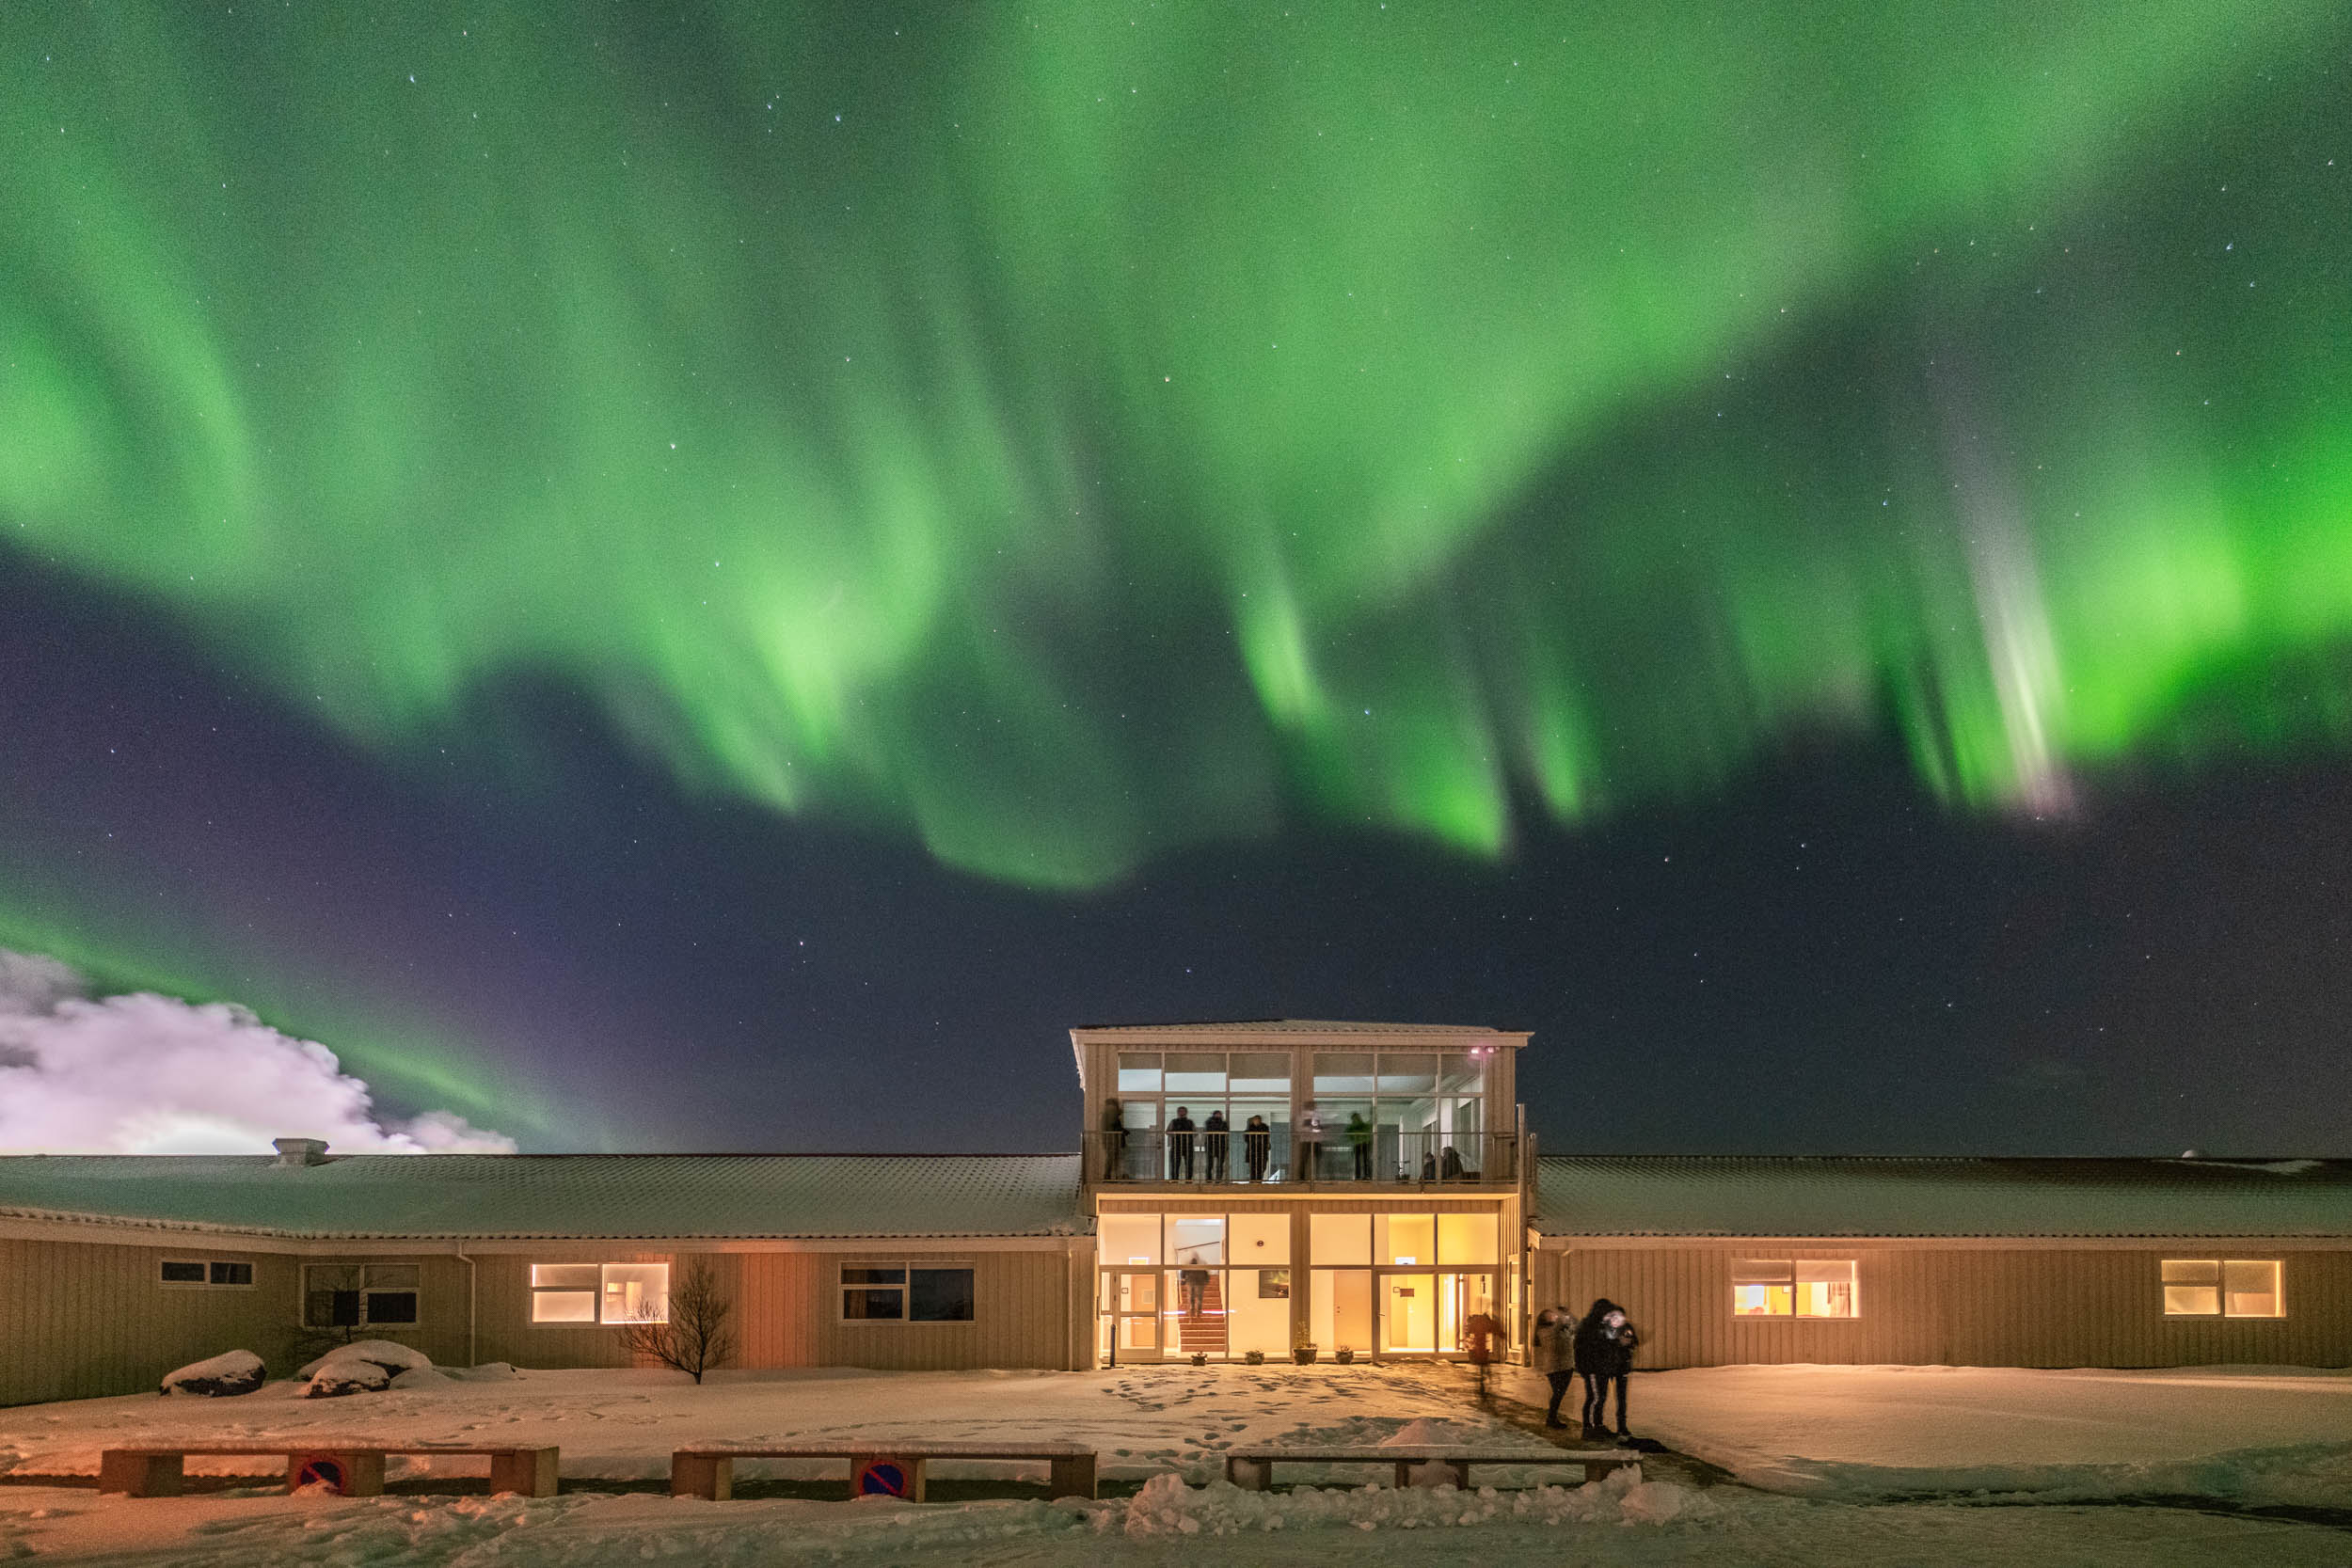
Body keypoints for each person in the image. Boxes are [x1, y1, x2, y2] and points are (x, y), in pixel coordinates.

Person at [1573, 1297, 1639, 1442]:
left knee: (1601, 1398)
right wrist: (1618, 1343)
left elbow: (1628, 1341)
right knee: (1596, 1398)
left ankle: (1599, 1426)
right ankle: (1590, 1428)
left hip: (1606, 1367)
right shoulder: (1592, 1326)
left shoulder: (1604, 1325)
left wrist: (1626, 1342)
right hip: (1596, 1367)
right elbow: (1595, 1346)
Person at [1532, 1306, 1575, 1428]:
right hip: (1555, 1367)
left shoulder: (1560, 1329)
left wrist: (1568, 1321)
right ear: (1544, 1319)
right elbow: (1559, 1326)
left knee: (1559, 1393)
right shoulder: (1544, 1331)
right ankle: (1551, 1418)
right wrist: (1564, 1313)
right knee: (1558, 1393)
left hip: (1567, 1365)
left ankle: (1552, 1418)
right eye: (1551, 1315)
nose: (1555, 1316)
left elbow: (1571, 1330)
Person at [1295, 1101, 1325, 1180]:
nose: (1314, 1107)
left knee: (1318, 1159)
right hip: (1306, 1141)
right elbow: (1298, 1129)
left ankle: (1318, 1177)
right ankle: (1301, 1178)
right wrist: (1309, 1128)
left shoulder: (1318, 1116)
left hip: (1316, 1140)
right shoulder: (1302, 1116)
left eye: (1314, 1105)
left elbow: (1321, 1128)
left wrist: (1317, 1128)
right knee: (1304, 1159)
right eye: (1312, 1105)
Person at [1167, 1106, 1196, 1181]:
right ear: (1178, 1112)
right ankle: (1174, 1180)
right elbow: (1167, 1132)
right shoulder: (1173, 1121)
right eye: (1180, 1111)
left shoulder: (1190, 1122)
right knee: (1175, 1164)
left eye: (1183, 1111)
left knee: (1189, 1165)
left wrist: (1187, 1137)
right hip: (1176, 1146)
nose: (1181, 1113)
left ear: (1186, 1112)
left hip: (1188, 1146)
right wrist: (1175, 1135)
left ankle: (1188, 1180)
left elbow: (1195, 1133)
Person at [1101, 1097, 1127, 1180]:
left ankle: (1111, 1176)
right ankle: (1109, 1176)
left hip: (1108, 1139)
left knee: (1111, 1157)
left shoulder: (1106, 1111)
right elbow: (1113, 1123)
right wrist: (1123, 1131)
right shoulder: (1111, 1109)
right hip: (1112, 1139)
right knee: (1112, 1157)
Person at [1243, 1115, 1272, 1182]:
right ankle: (1253, 1181)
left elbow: (1266, 1138)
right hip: (1253, 1151)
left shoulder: (1264, 1128)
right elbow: (1247, 1139)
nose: (1257, 1121)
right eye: (1255, 1120)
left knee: (1261, 1167)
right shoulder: (1249, 1129)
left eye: (1258, 1120)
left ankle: (1258, 1181)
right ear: (1253, 1121)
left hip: (1261, 1151)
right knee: (1253, 1168)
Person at [1203, 1109, 1230, 1182]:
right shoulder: (1209, 1122)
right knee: (1210, 1164)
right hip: (1211, 1145)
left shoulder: (1223, 1123)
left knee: (1220, 1164)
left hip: (1221, 1146)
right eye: (1217, 1114)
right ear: (1214, 1115)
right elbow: (1209, 1130)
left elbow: (1226, 1131)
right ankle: (1208, 1179)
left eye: (1220, 1114)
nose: (1218, 1116)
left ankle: (1218, 1179)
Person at [1346, 1112, 1373, 1180]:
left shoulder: (1362, 1126)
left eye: (1356, 1118)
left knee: (1365, 1160)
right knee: (1358, 1161)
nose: (1356, 1120)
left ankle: (1366, 1176)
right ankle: (1359, 1176)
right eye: (1354, 1119)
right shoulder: (1352, 1128)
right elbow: (1348, 1135)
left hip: (1365, 1144)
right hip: (1357, 1144)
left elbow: (1369, 1128)